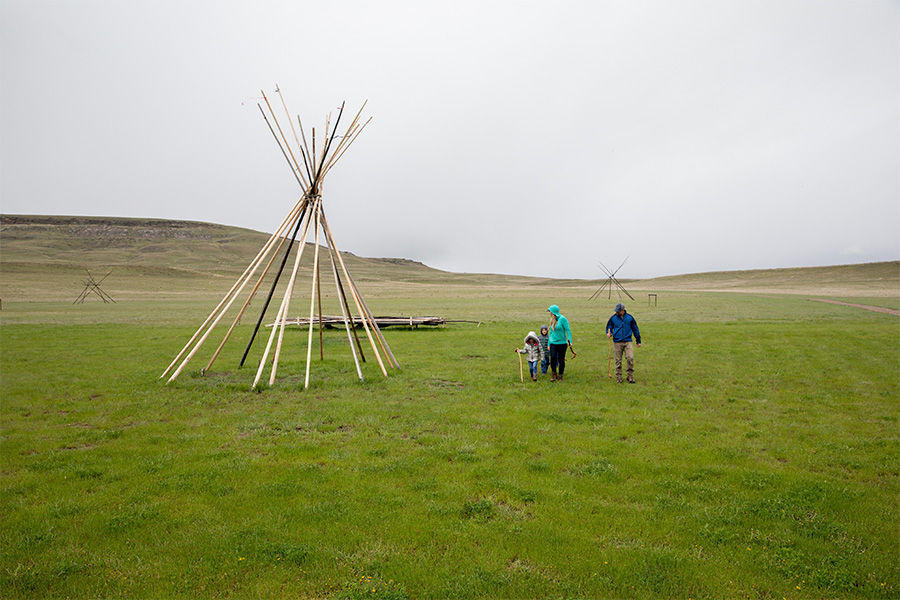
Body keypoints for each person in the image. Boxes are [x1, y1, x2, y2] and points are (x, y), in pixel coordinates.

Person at [606, 302, 641, 383]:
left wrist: (638, 341)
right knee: (618, 360)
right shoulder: (613, 318)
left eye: (618, 311)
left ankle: (630, 376)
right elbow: (609, 327)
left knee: (630, 358)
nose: (616, 312)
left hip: (628, 341)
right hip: (617, 342)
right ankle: (619, 377)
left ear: (623, 310)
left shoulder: (630, 318)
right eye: (616, 311)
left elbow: (635, 329)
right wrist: (608, 332)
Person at [547, 304, 575, 381]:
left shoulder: (563, 319)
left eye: (550, 311)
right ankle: (554, 374)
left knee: (561, 359)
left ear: (553, 312)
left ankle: (560, 375)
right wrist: (549, 344)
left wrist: (570, 340)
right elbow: (551, 333)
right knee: (552, 358)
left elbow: (568, 330)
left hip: (562, 343)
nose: (549, 313)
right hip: (553, 343)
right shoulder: (552, 319)